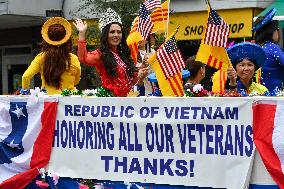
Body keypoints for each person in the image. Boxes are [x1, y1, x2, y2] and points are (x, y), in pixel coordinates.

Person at [74, 8, 148, 97]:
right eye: (112, 32)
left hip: (127, 101)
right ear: (105, 35)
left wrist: (140, 72)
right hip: (111, 104)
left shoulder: (122, 54)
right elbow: (83, 58)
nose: (116, 35)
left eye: (119, 32)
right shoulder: (101, 54)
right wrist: (82, 33)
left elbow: (130, 81)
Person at [22, 17, 81, 95]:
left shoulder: (41, 57)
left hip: (48, 100)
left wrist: (25, 93)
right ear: (66, 39)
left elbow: (25, 77)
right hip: (69, 99)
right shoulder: (73, 58)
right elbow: (76, 80)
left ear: (47, 39)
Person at [253, 8, 284, 92]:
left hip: (262, 93)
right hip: (276, 94)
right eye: (276, 29)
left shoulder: (260, 48)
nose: (278, 31)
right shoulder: (272, 47)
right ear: (270, 31)